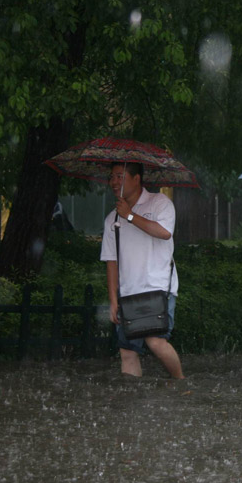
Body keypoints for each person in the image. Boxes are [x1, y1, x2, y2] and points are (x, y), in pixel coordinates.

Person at [100, 162, 185, 379]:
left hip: (157, 288)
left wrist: (130, 215)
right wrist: (113, 300)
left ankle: (180, 383)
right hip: (128, 293)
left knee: (155, 342)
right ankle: (131, 399)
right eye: (112, 177)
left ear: (136, 179)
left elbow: (165, 232)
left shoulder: (160, 203)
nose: (114, 182)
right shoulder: (112, 218)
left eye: (120, 176)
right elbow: (111, 261)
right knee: (127, 351)